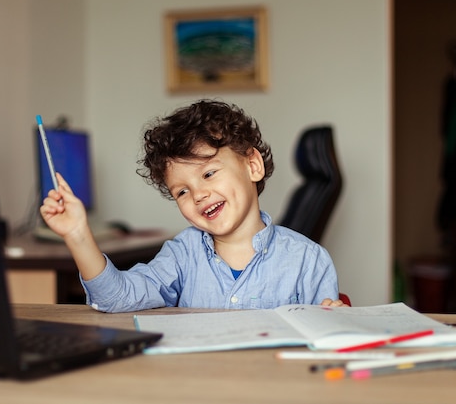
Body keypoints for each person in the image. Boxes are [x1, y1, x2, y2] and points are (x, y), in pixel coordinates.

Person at [40, 100, 345, 312]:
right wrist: (78, 234)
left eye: (209, 173)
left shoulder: (309, 260)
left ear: (253, 166)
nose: (198, 194)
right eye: (182, 191)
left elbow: (327, 342)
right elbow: (116, 298)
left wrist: (335, 319)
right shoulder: (181, 255)